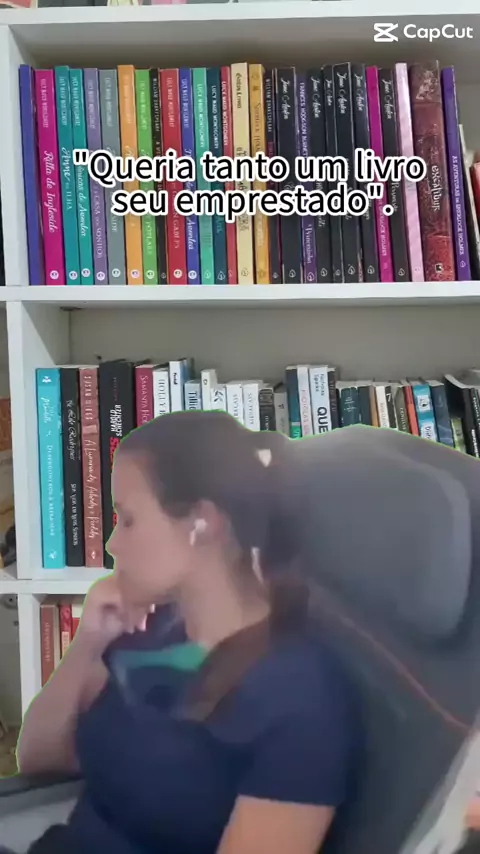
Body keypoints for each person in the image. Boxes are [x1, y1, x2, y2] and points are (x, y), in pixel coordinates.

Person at [16, 411, 362, 854]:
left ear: (203, 522)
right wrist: (86, 644)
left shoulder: (301, 699)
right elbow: (39, 759)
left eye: (129, 519)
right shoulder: (152, 629)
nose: (112, 544)